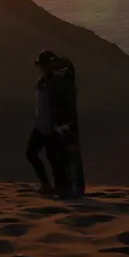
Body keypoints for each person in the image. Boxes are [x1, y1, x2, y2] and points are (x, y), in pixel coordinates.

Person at [36, 50, 86, 198]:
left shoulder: (50, 75)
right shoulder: (66, 66)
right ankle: (77, 187)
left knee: (58, 155)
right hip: (71, 121)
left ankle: (64, 188)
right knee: (73, 154)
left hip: (58, 122)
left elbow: (44, 89)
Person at [25, 51, 57, 194]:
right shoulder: (46, 81)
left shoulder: (51, 82)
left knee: (34, 154)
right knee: (48, 156)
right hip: (45, 125)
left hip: (47, 126)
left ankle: (48, 185)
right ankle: (50, 184)